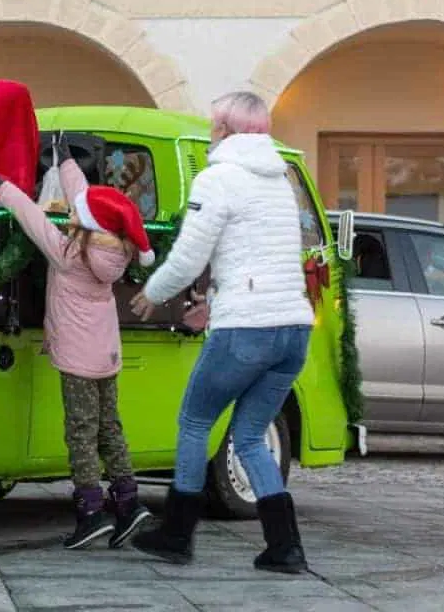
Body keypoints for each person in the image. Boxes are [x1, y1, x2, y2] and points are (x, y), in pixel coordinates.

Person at [128, 91, 314, 574]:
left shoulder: (219, 178)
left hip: (246, 330)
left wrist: (154, 291)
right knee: (250, 436)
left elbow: (190, 256)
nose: (211, 132)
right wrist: (215, 301)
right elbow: (264, 260)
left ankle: (176, 535)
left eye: (214, 125)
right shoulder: (280, 181)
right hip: (292, 328)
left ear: (227, 131)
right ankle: (284, 547)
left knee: (194, 422)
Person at [0, 140, 154, 550]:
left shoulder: (68, 253)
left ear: (88, 227)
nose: (72, 213)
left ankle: (90, 512)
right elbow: (85, 198)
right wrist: (66, 159)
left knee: (80, 432)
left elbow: (33, 218)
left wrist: (0, 185)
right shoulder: (113, 247)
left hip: (77, 356)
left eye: (77, 215)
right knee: (110, 427)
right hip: (106, 354)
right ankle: (128, 501)